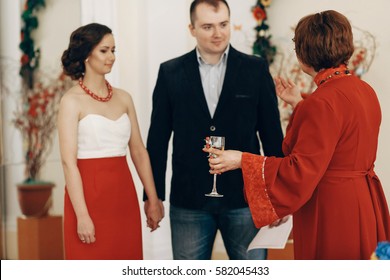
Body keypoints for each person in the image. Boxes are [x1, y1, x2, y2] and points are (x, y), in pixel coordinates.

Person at [204, 10, 390, 259]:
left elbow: (299, 170)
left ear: (306, 53)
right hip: (364, 201)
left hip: (332, 209)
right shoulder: (364, 90)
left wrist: (242, 160)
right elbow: (341, 135)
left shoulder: (322, 101)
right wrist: (299, 105)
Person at [146, 0, 284, 260]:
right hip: (189, 201)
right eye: (208, 26)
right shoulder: (170, 73)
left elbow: (272, 136)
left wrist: (279, 195)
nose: (218, 33)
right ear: (192, 29)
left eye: (223, 24)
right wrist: (153, 197)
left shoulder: (255, 69)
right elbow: (157, 141)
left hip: (245, 198)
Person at [58, 23, 164, 260]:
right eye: (104, 51)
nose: (112, 57)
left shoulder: (124, 97)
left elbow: (138, 150)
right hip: (87, 198)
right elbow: (68, 163)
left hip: (123, 197)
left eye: (114, 50)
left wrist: (153, 198)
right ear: (87, 54)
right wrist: (82, 215)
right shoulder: (71, 101)